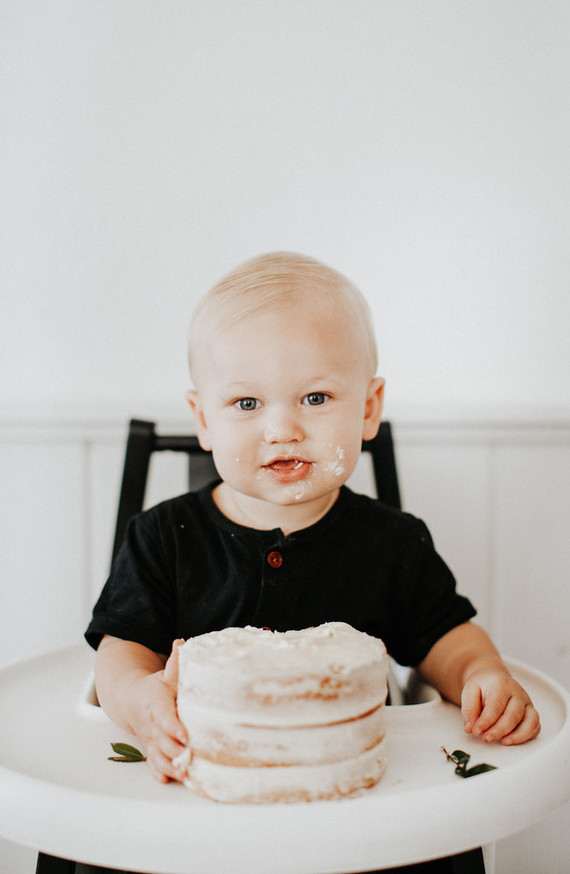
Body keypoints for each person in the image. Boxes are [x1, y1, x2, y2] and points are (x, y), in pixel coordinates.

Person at [86, 252, 540, 785]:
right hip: (204, 782)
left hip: (356, 789)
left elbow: (448, 638)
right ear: (204, 420)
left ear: (369, 409)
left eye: (315, 397)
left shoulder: (393, 542)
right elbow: (122, 653)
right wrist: (139, 701)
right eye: (247, 403)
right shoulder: (162, 538)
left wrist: (480, 673)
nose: (282, 428)